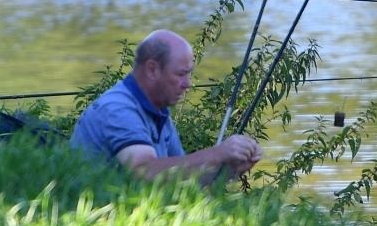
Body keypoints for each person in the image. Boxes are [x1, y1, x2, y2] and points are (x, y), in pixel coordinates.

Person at [71, 29, 262, 181]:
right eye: (180, 74)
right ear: (152, 69)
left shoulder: (157, 110)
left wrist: (228, 169)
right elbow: (143, 172)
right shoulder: (118, 108)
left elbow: (178, 177)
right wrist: (217, 154)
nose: (188, 84)